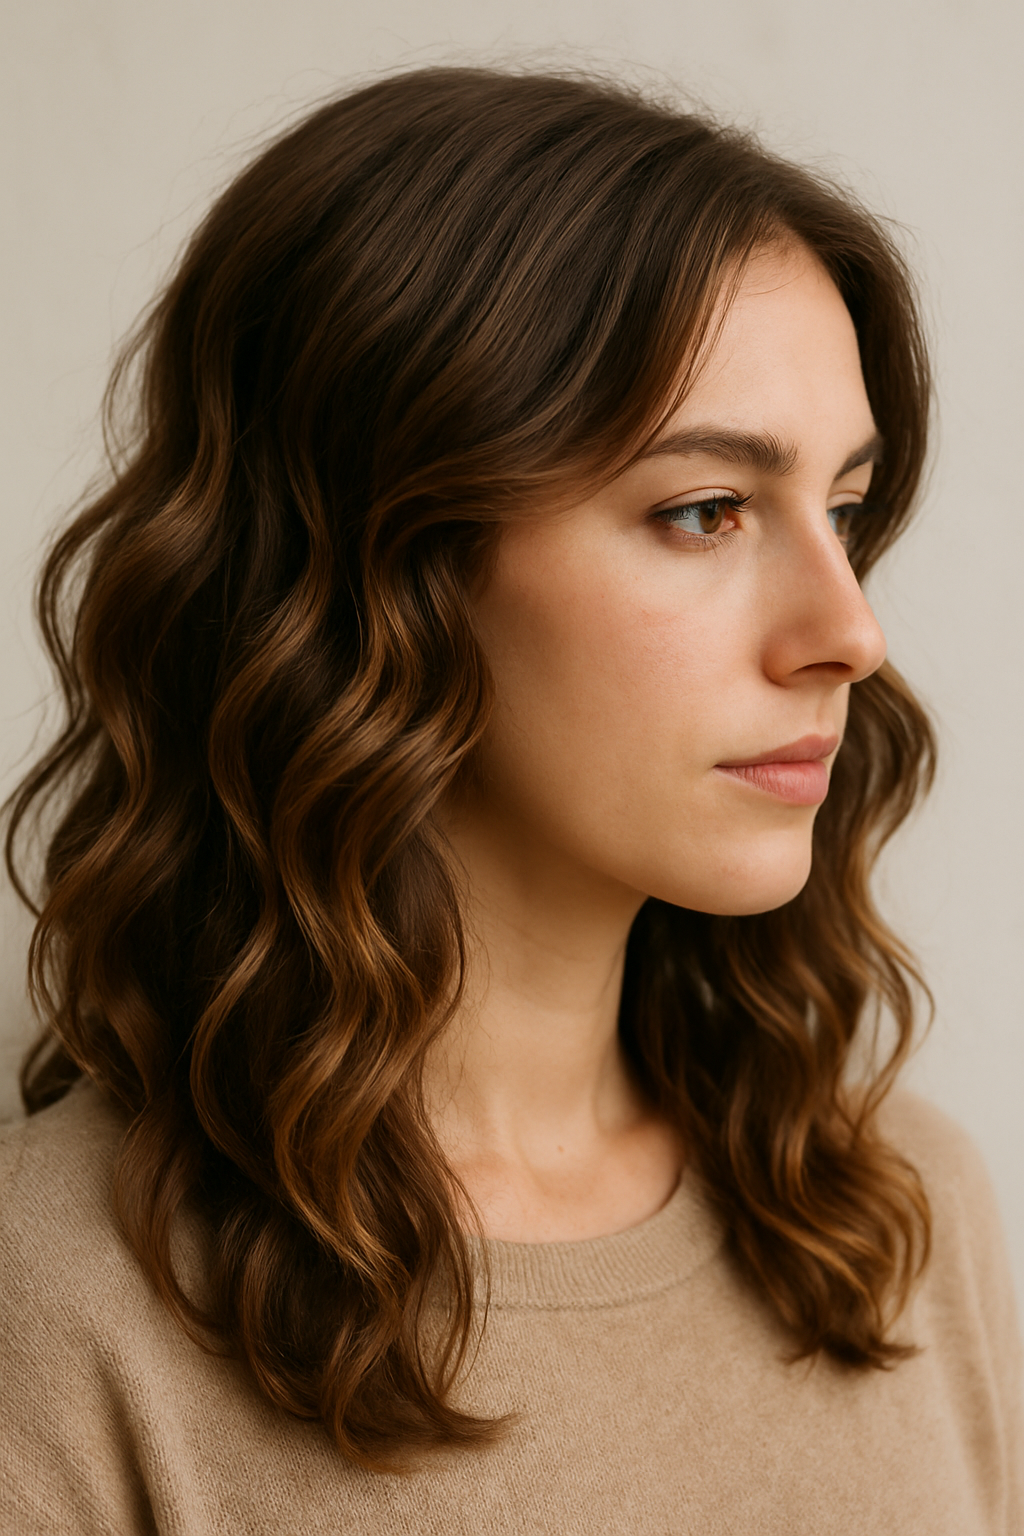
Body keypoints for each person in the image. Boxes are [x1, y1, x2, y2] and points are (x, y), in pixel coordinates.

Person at [0, 65, 1019, 1534]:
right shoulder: (63, 1319)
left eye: (844, 511)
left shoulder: (895, 1213)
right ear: (371, 572)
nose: (849, 629)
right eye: (704, 511)